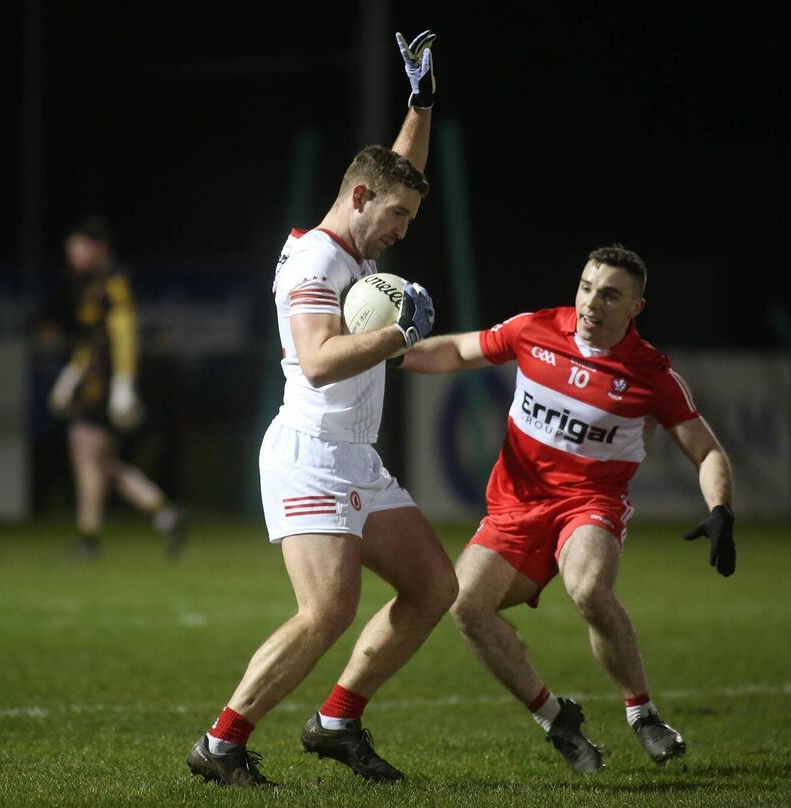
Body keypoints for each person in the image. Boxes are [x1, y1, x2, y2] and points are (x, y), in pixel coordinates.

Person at [186, 30, 455, 787]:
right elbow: (317, 358)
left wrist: (421, 102)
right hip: (310, 450)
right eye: (399, 215)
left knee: (434, 585)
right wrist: (402, 334)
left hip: (355, 456)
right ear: (360, 200)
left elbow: (402, 169)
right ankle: (222, 743)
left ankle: (336, 722)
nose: (403, 231)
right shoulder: (316, 263)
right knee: (327, 611)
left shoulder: (358, 243)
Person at [402, 245, 736, 773]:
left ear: (635, 308)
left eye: (609, 295)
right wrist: (390, 354)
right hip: (513, 508)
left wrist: (721, 509)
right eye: (585, 287)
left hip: (589, 505)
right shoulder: (535, 330)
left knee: (589, 589)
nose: (591, 303)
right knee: (465, 605)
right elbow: (459, 353)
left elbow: (705, 449)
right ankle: (555, 719)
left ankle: (643, 714)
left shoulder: (651, 374)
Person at [48, 215, 184, 559]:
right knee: (104, 462)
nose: (73, 257)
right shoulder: (90, 285)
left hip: (105, 384)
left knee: (84, 449)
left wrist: (123, 383)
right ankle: (163, 512)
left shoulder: (113, 282)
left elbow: (123, 333)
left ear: (99, 248)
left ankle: (89, 537)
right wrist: (71, 376)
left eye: (79, 249)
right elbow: (91, 341)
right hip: (98, 381)